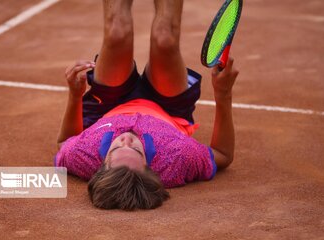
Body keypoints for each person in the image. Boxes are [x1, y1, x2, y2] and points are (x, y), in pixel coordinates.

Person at [55, 0, 238, 210]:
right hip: (168, 109)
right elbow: (222, 155)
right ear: (150, 167)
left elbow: (64, 142)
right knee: (164, 38)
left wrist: (75, 96)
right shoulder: (178, 157)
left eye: (116, 147)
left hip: (106, 107)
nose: (126, 139)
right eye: (136, 150)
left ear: (101, 165)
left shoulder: (83, 156)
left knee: (117, 31)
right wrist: (223, 94)